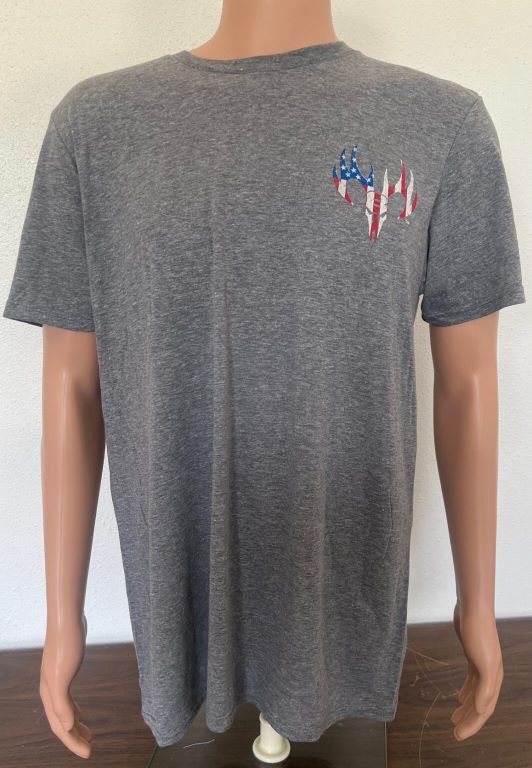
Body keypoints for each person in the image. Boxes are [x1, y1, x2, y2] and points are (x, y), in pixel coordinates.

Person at [3, 0, 526, 758]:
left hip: (339, 589)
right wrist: (63, 620)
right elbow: (73, 387)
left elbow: (467, 385)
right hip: (180, 597)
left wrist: (477, 608)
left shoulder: (442, 123)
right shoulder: (96, 125)